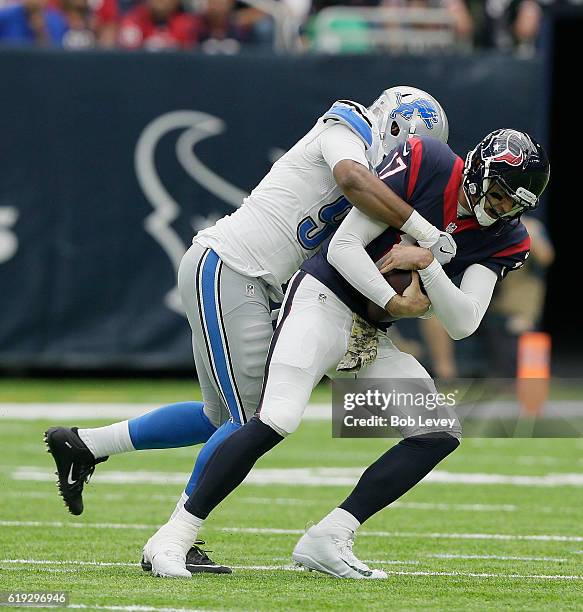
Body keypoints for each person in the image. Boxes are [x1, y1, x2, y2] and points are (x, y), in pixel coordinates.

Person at [44, 86, 452, 572]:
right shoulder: (350, 125)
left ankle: (86, 444)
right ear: (395, 127)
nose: (410, 162)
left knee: (222, 418)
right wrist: (427, 231)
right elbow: (350, 178)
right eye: (411, 149)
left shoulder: (387, 182)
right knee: (256, 417)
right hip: (234, 269)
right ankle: (174, 538)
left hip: (256, 283)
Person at [140, 128, 550, 579]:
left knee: (436, 431)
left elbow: (463, 321)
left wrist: (428, 265)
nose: (504, 209)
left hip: (370, 334)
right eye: (500, 196)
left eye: (516, 205)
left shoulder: (506, 237)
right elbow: (342, 248)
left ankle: (330, 535)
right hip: (323, 298)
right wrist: (395, 300)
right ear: (480, 171)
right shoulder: (429, 163)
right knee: (277, 416)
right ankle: (173, 536)